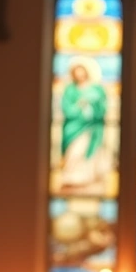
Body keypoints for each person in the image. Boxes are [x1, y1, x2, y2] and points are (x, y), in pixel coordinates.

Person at [59, 59, 109, 194]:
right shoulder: (70, 90)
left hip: (91, 127)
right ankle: (72, 177)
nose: (80, 74)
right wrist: (79, 107)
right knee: (75, 151)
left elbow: (102, 108)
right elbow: (67, 108)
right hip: (74, 127)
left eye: (82, 70)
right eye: (77, 71)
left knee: (89, 152)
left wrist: (91, 106)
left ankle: (87, 178)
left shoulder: (96, 89)